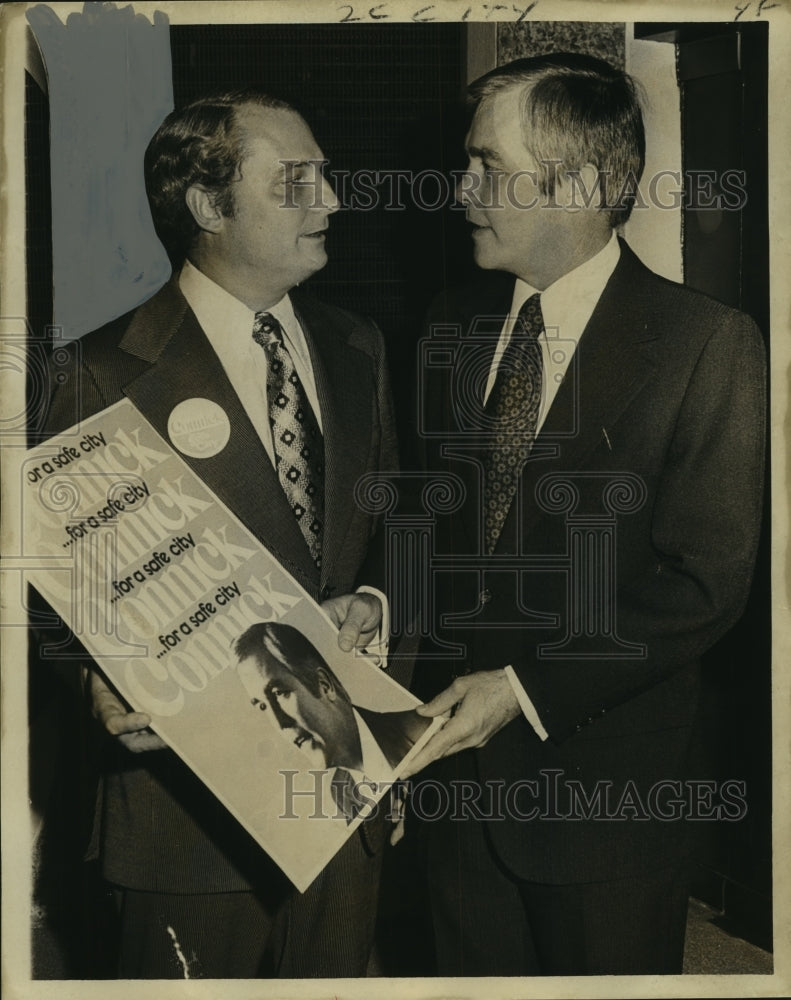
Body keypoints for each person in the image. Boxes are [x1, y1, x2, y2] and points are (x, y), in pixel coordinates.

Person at [402, 53, 767, 976]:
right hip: (455, 795)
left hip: (605, 807)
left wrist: (519, 690)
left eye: (488, 166)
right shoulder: (448, 321)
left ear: (589, 183)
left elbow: (703, 584)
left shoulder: (705, 344)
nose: (460, 188)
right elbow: (437, 531)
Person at [40, 88, 396, 978]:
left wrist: (379, 606)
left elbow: (391, 534)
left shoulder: (360, 347)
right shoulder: (92, 370)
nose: (333, 202)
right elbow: (37, 579)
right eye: (296, 183)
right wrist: (89, 676)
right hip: (182, 828)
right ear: (207, 206)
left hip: (344, 803)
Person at [234, 621, 430, 821]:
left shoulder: (421, 729)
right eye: (262, 706)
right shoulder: (341, 790)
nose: (279, 724)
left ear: (324, 685)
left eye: (280, 693)